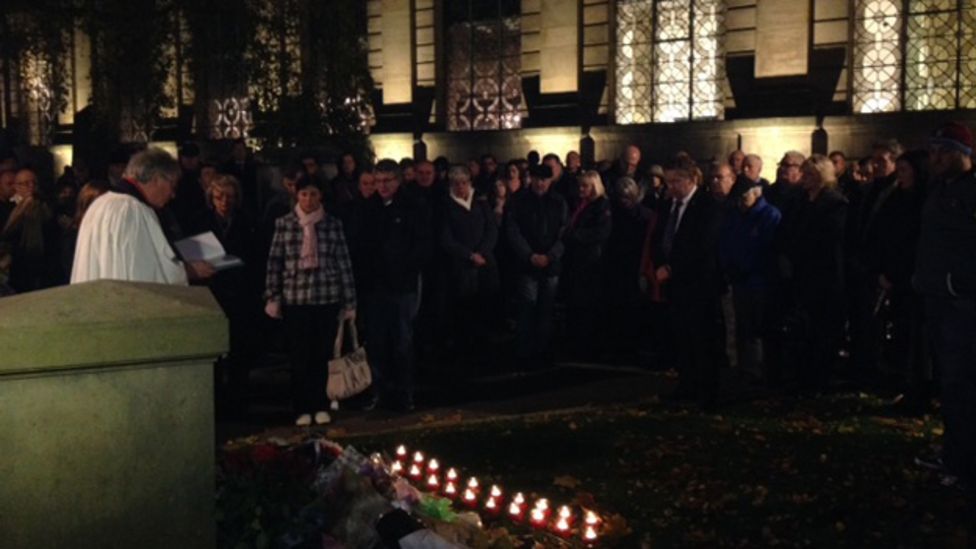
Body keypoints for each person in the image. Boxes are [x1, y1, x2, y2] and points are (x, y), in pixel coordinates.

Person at [913, 122, 976, 509]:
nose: (933, 158)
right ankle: (955, 452)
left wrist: (957, 284)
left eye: (941, 150)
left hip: (962, 305)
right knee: (949, 385)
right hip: (938, 300)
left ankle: (965, 463)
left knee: (963, 384)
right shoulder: (939, 190)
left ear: (961, 153)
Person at [264, 174, 357, 426]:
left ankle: (320, 403)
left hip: (326, 297)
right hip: (295, 299)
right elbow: (275, 262)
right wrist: (272, 296)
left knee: (322, 355)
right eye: (304, 194)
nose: (308, 199)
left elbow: (343, 263)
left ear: (321, 196)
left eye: (313, 194)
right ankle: (301, 406)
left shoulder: (332, 224)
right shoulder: (284, 223)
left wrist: (350, 302)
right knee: (299, 357)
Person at [71, 148, 215, 285]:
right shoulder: (135, 211)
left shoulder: (100, 203)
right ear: (157, 179)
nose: (173, 195)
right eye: (173, 185)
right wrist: (189, 271)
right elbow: (148, 273)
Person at [359, 159, 432, 412]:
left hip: (402, 286)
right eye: (378, 181)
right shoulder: (369, 208)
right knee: (377, 342)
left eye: (387, 181)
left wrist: (406, 269)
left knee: (402, 342)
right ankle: (380, 391)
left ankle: (405, 392)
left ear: (398, 181)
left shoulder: (413, 206)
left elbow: (422, 244)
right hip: (376, 287)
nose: (382, 186)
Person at [649, 158, 723, 410]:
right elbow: (661, 236)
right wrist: (660, 262)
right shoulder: (669, 204)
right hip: (675, 283)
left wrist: (672, 267)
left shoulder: (706, 206)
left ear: (692, 179)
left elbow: (702, 245)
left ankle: (706, 389)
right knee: (681, 336)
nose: (671, 187)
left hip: (698, 282)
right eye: (669, 182)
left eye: (676, 181)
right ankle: (686, 383)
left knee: (701, 337)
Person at [782, 154, 848, 393]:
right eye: (804, 174)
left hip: (824, 276)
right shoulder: (800, 201)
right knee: (804, 327)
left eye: (810, 174)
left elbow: (831, 241)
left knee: (822, 328)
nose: (805, 179)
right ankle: (803, 374)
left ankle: (819, 376)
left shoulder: (834, 203)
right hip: (802, 273)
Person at [868, 149, 929, 402]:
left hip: (915, 277)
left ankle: (918, 385)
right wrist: (881, 270)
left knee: (918, 336)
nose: (900, 176)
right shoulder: (894, 199)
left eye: (904, 170)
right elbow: (881, 235)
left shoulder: (924, 200)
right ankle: (900, 380)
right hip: (893, 276)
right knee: (899, 332)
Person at [204, 174, 259, 417]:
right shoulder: (202, 222)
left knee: (239, 350)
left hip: (240, 293)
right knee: (213, 351)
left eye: (228, 197)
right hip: (213, 292)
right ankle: (216, 401)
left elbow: (254, 256)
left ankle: (239, 401)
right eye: (219, 197)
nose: (224, 202)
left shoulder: (247, 222)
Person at [505, 163, 568, 367]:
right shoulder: (518, 201)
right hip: (527, 264)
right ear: (531, 178)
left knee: (546, 309)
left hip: (551, 263)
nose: (541, 183)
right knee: (527, 307)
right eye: (537, 179)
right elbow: (513, 231)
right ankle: (525, 350)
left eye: (545, 180)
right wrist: (529, 255)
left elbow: (564, 232)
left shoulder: (559, 202)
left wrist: (551, 255)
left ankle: (543, 349)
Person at [719, 182, 782, 384]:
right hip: (739, 279)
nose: (741, 202)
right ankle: (744, 368)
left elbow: (767, 248)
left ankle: (758, 370)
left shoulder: (769, 215)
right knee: (741, 325)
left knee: (757, 326)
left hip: (759, 280)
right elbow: (727, 242)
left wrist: (747, 267)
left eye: (744, 197)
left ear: (756, 193)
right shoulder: (737, 215)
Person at [439, 165, 499, 361]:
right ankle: (464, 349)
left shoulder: (480, 202)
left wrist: (482, 252)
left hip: (484, 264)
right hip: (460, 266)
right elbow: (446, 238)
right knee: (463, 309)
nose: (460, 187)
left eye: (463, 183)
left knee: (484, 304)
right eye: (456, 183)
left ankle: (485, 346)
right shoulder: (446, 205)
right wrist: (468, 255)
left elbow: (491, 228)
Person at [562, 170, 612, 359]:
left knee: (588, 303)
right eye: (579, 185)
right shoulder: (581, 204)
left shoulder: (601, 205)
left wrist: (573, 236)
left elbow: (601, 232)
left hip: (591, 261)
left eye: (585, 185)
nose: (581, 189)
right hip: (578, 260)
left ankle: (587, 345)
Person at [1, 168, 60, 292]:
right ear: (16, 187)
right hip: (18, 266)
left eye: (34, 183)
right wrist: (23, 207)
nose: (31, 186)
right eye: (26, 183)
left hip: (44, 265)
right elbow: (6, 231)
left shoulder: (45, 205)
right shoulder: (7, 208)